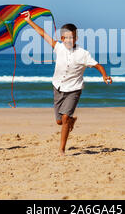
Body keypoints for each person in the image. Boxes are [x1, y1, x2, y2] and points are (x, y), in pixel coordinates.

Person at [23, 12, 112, 156]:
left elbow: (98, 65)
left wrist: (104, 76)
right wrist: (28, 20)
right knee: (59, 121)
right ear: (62, 38)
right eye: (67, 38)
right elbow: (42, 34)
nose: (70, 40)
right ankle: (71, 120)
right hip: (57, 87)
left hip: (74, 89)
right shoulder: (58, 47)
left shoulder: (83, 53)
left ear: (76, 38)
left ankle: (61, 150)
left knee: (64, 118)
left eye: (73, 37)